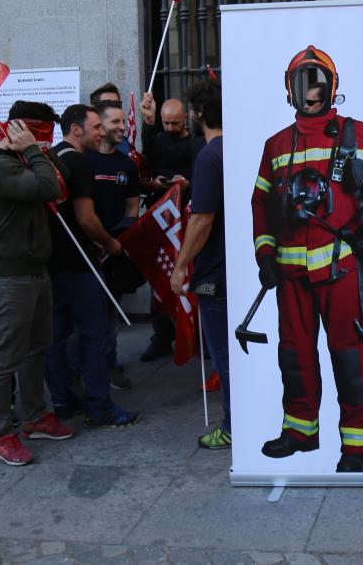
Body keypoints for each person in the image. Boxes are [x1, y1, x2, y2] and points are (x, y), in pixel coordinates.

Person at [250, 46, 363, 473]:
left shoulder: (359, 135)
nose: (311, 90)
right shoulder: (274, 145)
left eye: (318, 80)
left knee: (349, 355)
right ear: (289, 90)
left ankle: (357, 445)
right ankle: (300, 431)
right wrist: (264, 253)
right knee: (295, 355)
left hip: (341, 268)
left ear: (332, 86)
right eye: (303, 81)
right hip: (290, 274)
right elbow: (261, 205)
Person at [0, 101, 76, 465]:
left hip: (35, 270)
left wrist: (37, 152)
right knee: (5, 357)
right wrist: (33, 150)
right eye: (42, 131)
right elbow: (47, 188)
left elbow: (62, 183)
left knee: (37, 347)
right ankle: (1, 434)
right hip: (9, 276)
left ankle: (33, 417)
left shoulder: (23, 161)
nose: (45, 140)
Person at [46, 104, 139, 428]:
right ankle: (99, 406)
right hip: (80, 265)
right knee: (94, 335)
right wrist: (110, 243)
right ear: (76, 129)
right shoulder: (78, 162)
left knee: (57, 336)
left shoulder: (49, 158)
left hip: (53, 264)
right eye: (96, 127)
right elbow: (86, 218)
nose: (101, 133)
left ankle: (62, 400)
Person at [168, 80, 231, 449]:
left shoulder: (210, 156)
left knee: (224, 356)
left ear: (201, 112)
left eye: (191, 110)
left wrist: (180, 266)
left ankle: (233, 426)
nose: (190, 116)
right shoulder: (237, 148)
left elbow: (202, 219)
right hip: (240, 266)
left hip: (215, 275)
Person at [138, 93, 205, 362]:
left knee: (193, 277)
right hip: (162, 215)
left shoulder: (196, 144)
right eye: (165, 123)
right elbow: (147, 157)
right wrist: (156, 182)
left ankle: (198, 334)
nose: (170, 129)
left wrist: (186, 184)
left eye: (175, 123)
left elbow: (201, 175)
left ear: (185, 119)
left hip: (188, 216)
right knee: (160, 277)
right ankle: (162, 335)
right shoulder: (157, 140)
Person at [88, 100, 141, 390]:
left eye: (123, 122)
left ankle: (109, 367)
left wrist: (116, 242)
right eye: (115, 123)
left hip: (114, 252)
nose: (122, 127)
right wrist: (96, 241)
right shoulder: (85, 160)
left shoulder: (126, 166)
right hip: (87, 253)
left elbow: (132, 210)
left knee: (110, 317)